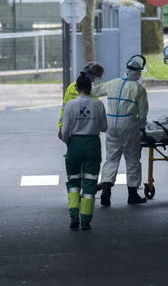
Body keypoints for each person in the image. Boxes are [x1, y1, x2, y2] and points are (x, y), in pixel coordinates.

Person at [94, 56, 149, 206]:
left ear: (126, 70)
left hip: (110, 123)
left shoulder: (113, 83)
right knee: (132, 159)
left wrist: (92, 77)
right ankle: (132, 194)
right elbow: (143, 112)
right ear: (138, 73)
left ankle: (106, 189)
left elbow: (95, 91)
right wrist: (142, 127)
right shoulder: (138, 89)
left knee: (111, 157)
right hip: (129, 124)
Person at [61, 72, 108, 230]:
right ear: (90, 88)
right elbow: (104, 128)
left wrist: (70, 143)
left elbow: (65, 130)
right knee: (90, 182)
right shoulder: (98, 104)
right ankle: (86, 220)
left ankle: (74, 214)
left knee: (73, 181)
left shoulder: (70, 105)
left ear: (76, 87)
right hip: (92, 142)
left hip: (75, 142)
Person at [58, 61, 105, 141]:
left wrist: (61, 128)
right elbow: (94, 112)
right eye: (98, 76)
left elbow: (64, 110)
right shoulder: (92, 89)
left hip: (72, 130)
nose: (100, 79)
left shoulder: (71, 86)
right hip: (88, 132)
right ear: (91, 74)